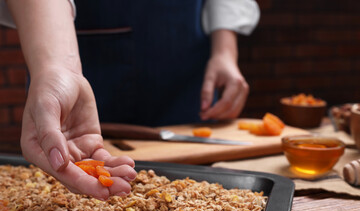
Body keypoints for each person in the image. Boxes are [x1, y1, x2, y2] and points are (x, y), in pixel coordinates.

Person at [0, 0, 260, 200]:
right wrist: (59, 69)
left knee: (196, 182)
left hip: (186, 61)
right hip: (76, 48)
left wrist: (225, 51)